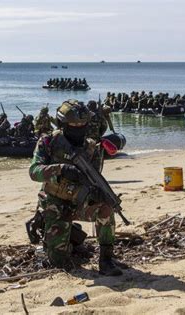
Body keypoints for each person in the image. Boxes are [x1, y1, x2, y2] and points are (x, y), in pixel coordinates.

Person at [29, 99, 122, 276]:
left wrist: (96, 194)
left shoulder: (91, 148)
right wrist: (61, 169)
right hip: (54, 204)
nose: (78, 129)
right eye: (73, 125)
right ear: (63, 124)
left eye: (82, 125)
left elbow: (94, 177)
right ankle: (64, 234)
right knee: (59, 262)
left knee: (106, 207)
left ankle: (106, 259)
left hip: (80, 202)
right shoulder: (48, 142)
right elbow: (34, 171)